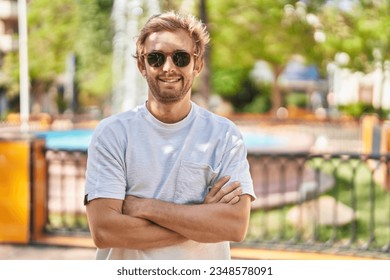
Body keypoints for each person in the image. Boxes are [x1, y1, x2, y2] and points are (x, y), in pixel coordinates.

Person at [84, 11, 256, 260]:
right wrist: (201, 218)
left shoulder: (224, 135)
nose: (168, 67)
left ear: (197, 64)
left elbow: (234, 226)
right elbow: (104, 231)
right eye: (155, 58)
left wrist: (145, 207)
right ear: (141, 65)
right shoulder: (112, 134)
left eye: (180, 57)